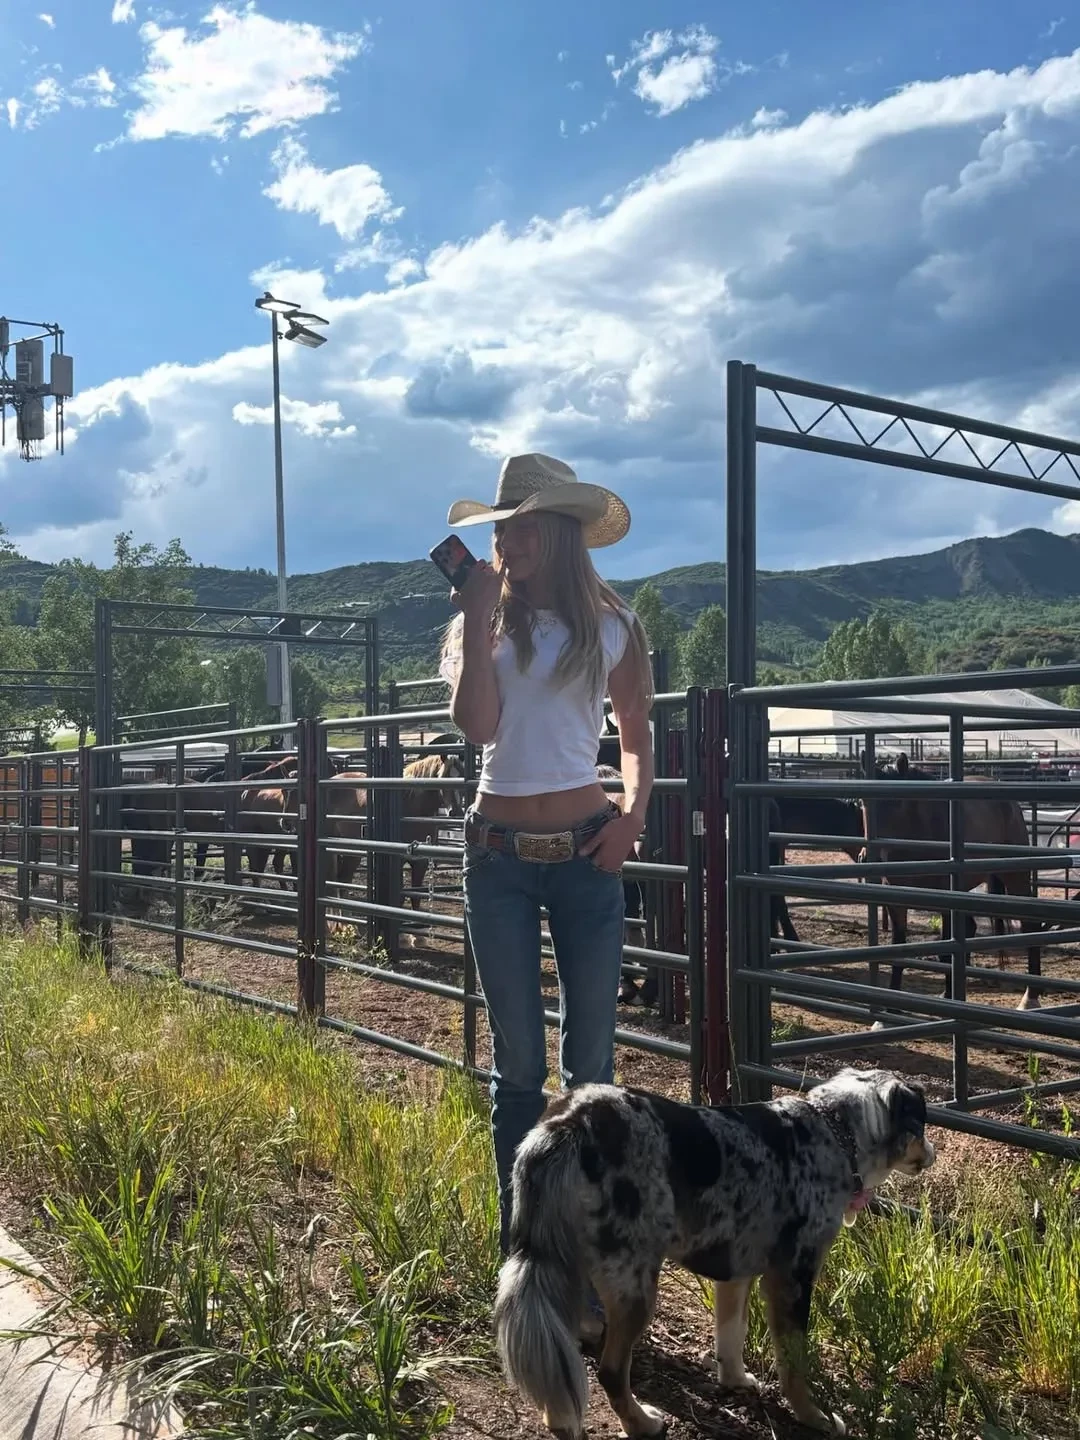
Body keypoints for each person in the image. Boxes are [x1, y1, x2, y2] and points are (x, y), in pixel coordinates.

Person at [439, 453, 654, 1253]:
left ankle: (587, 1242)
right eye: (503, 529)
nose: (509, 542)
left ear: (562, 532)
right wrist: (475, 615)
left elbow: (637, 734)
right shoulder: (483, 622)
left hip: (586, 856)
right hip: (495, 859)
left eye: (525, 527)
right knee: (518, 1071)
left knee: (590, 1069)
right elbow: (479, 728)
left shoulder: (613, 625)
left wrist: (632, 817)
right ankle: (527, 1247)